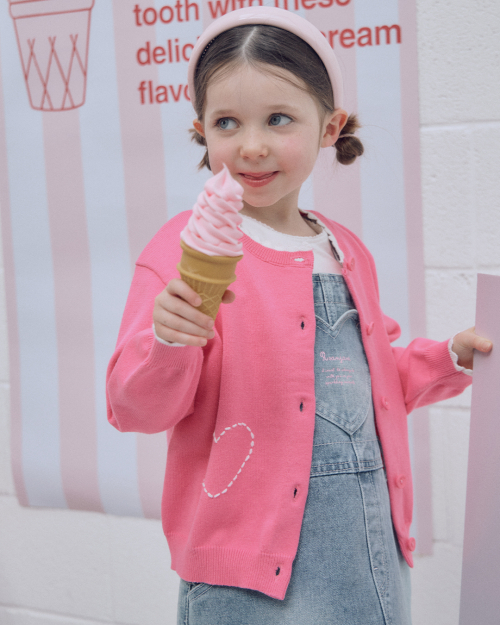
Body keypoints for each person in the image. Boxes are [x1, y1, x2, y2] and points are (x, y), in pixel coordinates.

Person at [106, 7, 492, 624]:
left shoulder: (344, 249)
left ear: (329, 127)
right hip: (246, 570)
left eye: (278, 119)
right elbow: (134, 410)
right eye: (227, 122)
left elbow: (369, 384)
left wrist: (450, 359)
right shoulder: (182, 249)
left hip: (367, 543)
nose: (251, 145)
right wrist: (168, 342)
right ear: (201, 131)